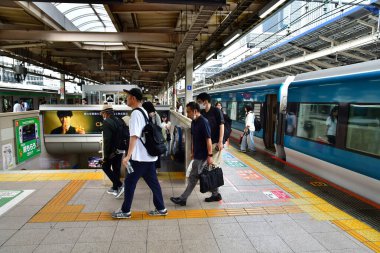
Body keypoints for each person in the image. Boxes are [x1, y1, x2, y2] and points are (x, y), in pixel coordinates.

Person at [112, 88, 167, 219]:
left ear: (133, 98)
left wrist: (128, 156)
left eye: (128, 97)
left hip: (139, 159)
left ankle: (125, 211)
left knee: (130, 184)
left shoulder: (136, 114)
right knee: (154, 184)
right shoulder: (143, 111)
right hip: (148, 157)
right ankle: (161, 208)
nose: (126, 99)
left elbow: (134, 136)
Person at [170, 102, 213, 206]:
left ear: (195, 111)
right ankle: (216, 193)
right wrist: (192, 151)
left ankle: (183, 199)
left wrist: (210, 156)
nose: (187, 114)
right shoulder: (193, 122)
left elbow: (208, 140)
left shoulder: (204, 122)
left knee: (193, 177)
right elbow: (193, 138)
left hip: (203, 155)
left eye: (188, 112)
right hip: (197, 154)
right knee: (205, 174)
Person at [196, 92, 224, 202]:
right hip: (206, 144)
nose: (199, 104)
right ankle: (214, 191)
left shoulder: (216, 111)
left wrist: (220, 141)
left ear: (205, 101)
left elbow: (221, 126)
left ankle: (216, 193)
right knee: (206, 167)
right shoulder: (202, 112)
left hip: (215, 143)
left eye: (199, 102)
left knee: (213, 167)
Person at [100, 105, 124, 198]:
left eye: (102, 113)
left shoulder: (106, 122)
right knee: (116, 168)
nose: (103, 115)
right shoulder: (119, 120)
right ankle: (115, 188)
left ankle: (119, 185)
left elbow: (107, 141)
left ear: (105, 113)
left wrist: (106, 156)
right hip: (120, 149)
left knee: (105, 166)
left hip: (112, 151)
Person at [142, 101, 162, 172]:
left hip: (154, 138)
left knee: (155, 151)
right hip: (148, 137)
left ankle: (155, 169)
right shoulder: (144, 115)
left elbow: (159, 127)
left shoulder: (156, 115)